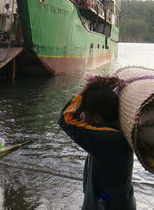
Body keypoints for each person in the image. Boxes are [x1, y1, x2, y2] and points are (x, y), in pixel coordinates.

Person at [58, 74, 136, 210]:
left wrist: (87, 87)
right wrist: (100, 92)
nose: (81, 116)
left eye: (85, 113)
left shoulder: (106, 139)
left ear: (97, 118)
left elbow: (66, 119)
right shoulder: (115, 131)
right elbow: (77, 116)